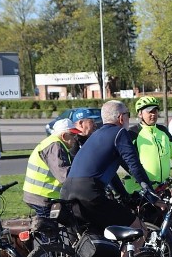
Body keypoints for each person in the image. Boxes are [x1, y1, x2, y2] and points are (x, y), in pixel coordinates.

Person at [61, 100, 154, 234]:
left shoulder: (95, 136)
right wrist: (152, 194)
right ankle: (125, 256)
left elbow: (109, 174)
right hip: (89, 193)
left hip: (67, 191)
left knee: (98, 236)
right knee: (139, 229)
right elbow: (134, 166)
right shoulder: (120, 133)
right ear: (121, 118)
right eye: (128, 114)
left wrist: (123, 194)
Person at [125, 96, 172, 193]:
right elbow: (128, 162)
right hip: (142, 190)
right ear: (140, 114)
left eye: (155, 111)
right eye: (149, 111)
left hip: (164, 187)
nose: (153, 114)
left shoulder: (163, 131)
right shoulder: (133, 133)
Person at [22, 118, 81, 220]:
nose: (75, 138)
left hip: (39, 195)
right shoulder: (55, 146)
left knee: (64, 224)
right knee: (50, 231)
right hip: (42, 197)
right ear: (64, 136)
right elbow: (64, 175)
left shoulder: (53, 143)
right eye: (72, 135)